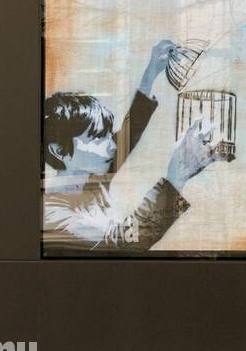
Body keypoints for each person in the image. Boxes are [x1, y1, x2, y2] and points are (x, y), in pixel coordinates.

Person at [43, 39, 228, 253]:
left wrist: (151, 74)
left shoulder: (88, 175)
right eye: (97, 137)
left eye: (107, 134)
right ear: (59, 151)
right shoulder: (54, 218)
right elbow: (126, 244)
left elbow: (127, 136)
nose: (111, 146)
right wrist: (176, 177)